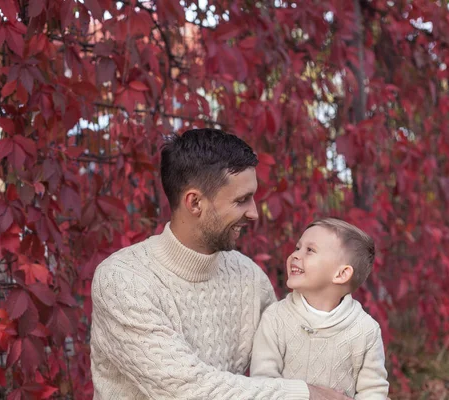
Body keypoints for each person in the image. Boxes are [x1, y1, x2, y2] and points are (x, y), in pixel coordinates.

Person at [90, 129, 351, 399]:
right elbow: (185, 389)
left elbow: (295, 356)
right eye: (241, 200)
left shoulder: (248, 277)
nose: (253, 212)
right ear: (194, 203)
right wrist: (304, 394)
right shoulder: (123, 280)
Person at [250, 218, 389, 399]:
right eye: (297, 248)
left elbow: (373, 391)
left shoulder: (365, 331)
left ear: (341, 274)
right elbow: (263, 384)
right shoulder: (276, 318)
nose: (296, 255)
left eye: (310, 250)